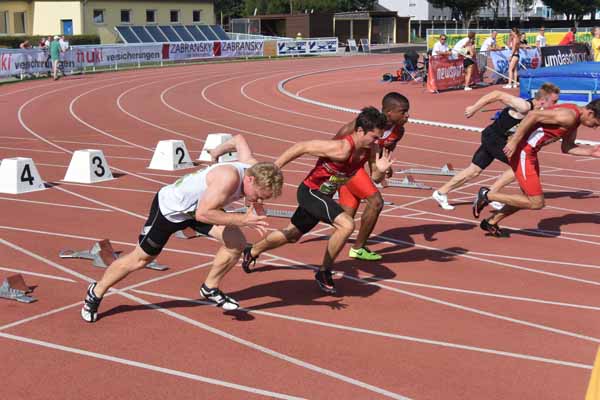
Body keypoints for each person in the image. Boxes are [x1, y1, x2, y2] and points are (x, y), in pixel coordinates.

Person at [80, 135, 284, 322]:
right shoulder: (227, 178)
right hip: (171, 210)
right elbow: (203, 215)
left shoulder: (252, 167)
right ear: (249, 179)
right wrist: (243, 220)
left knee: (237, 243)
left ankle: (210, 287)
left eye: (262, 199)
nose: (257, 200)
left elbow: (239, 139)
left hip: (202, 208)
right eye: (257, 195)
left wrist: (217, 151)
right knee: (141, 259)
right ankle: (96, 292)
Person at [241, 107, 390, 294]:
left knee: (292, 234)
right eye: (374, 137)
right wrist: (275, 167)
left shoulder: (371, 149)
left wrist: (381, 170)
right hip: (310, 192)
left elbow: (375, 177)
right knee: (346, 225)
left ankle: (252, 250)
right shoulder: (341, 148)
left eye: (379, 137)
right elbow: (301, 147)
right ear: (360, 131)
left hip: (322, 196)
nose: (377, 141)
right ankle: (324, 272)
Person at [432, 83, 560, 221]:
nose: (556, 104)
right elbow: (496, 94)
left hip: (495, 138)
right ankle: (490, 194)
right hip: (493, 138)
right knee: (519, 166)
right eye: (554, 101)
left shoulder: (537, 112)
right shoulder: (524, 106)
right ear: (543, 100)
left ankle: (440, 192)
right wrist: (474, 108)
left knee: (474, 170)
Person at [473, 100, 600, 235]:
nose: (595, 128)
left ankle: (491, 222)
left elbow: (567, 147)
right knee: (536, 202)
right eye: (596, 124)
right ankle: (487, 195)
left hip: (530, 154)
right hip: (522, 152)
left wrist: (591, 151)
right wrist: (514, 141)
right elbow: (533, 115)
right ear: (590, 113)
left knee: (526, 197)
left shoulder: (574, 120)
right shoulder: (569, 116)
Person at [333, 92, 409, 261]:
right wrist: (330, 171)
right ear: (389, 113)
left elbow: (381, 155)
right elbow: (335, 141)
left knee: (345, 222)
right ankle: (358, 248)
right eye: (403, 112)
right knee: (376, 202)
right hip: (345, 168)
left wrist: (385, 168)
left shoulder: (399, 131)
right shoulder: (365, 122)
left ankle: (294, 230)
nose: (407, 115)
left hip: (357, 169)